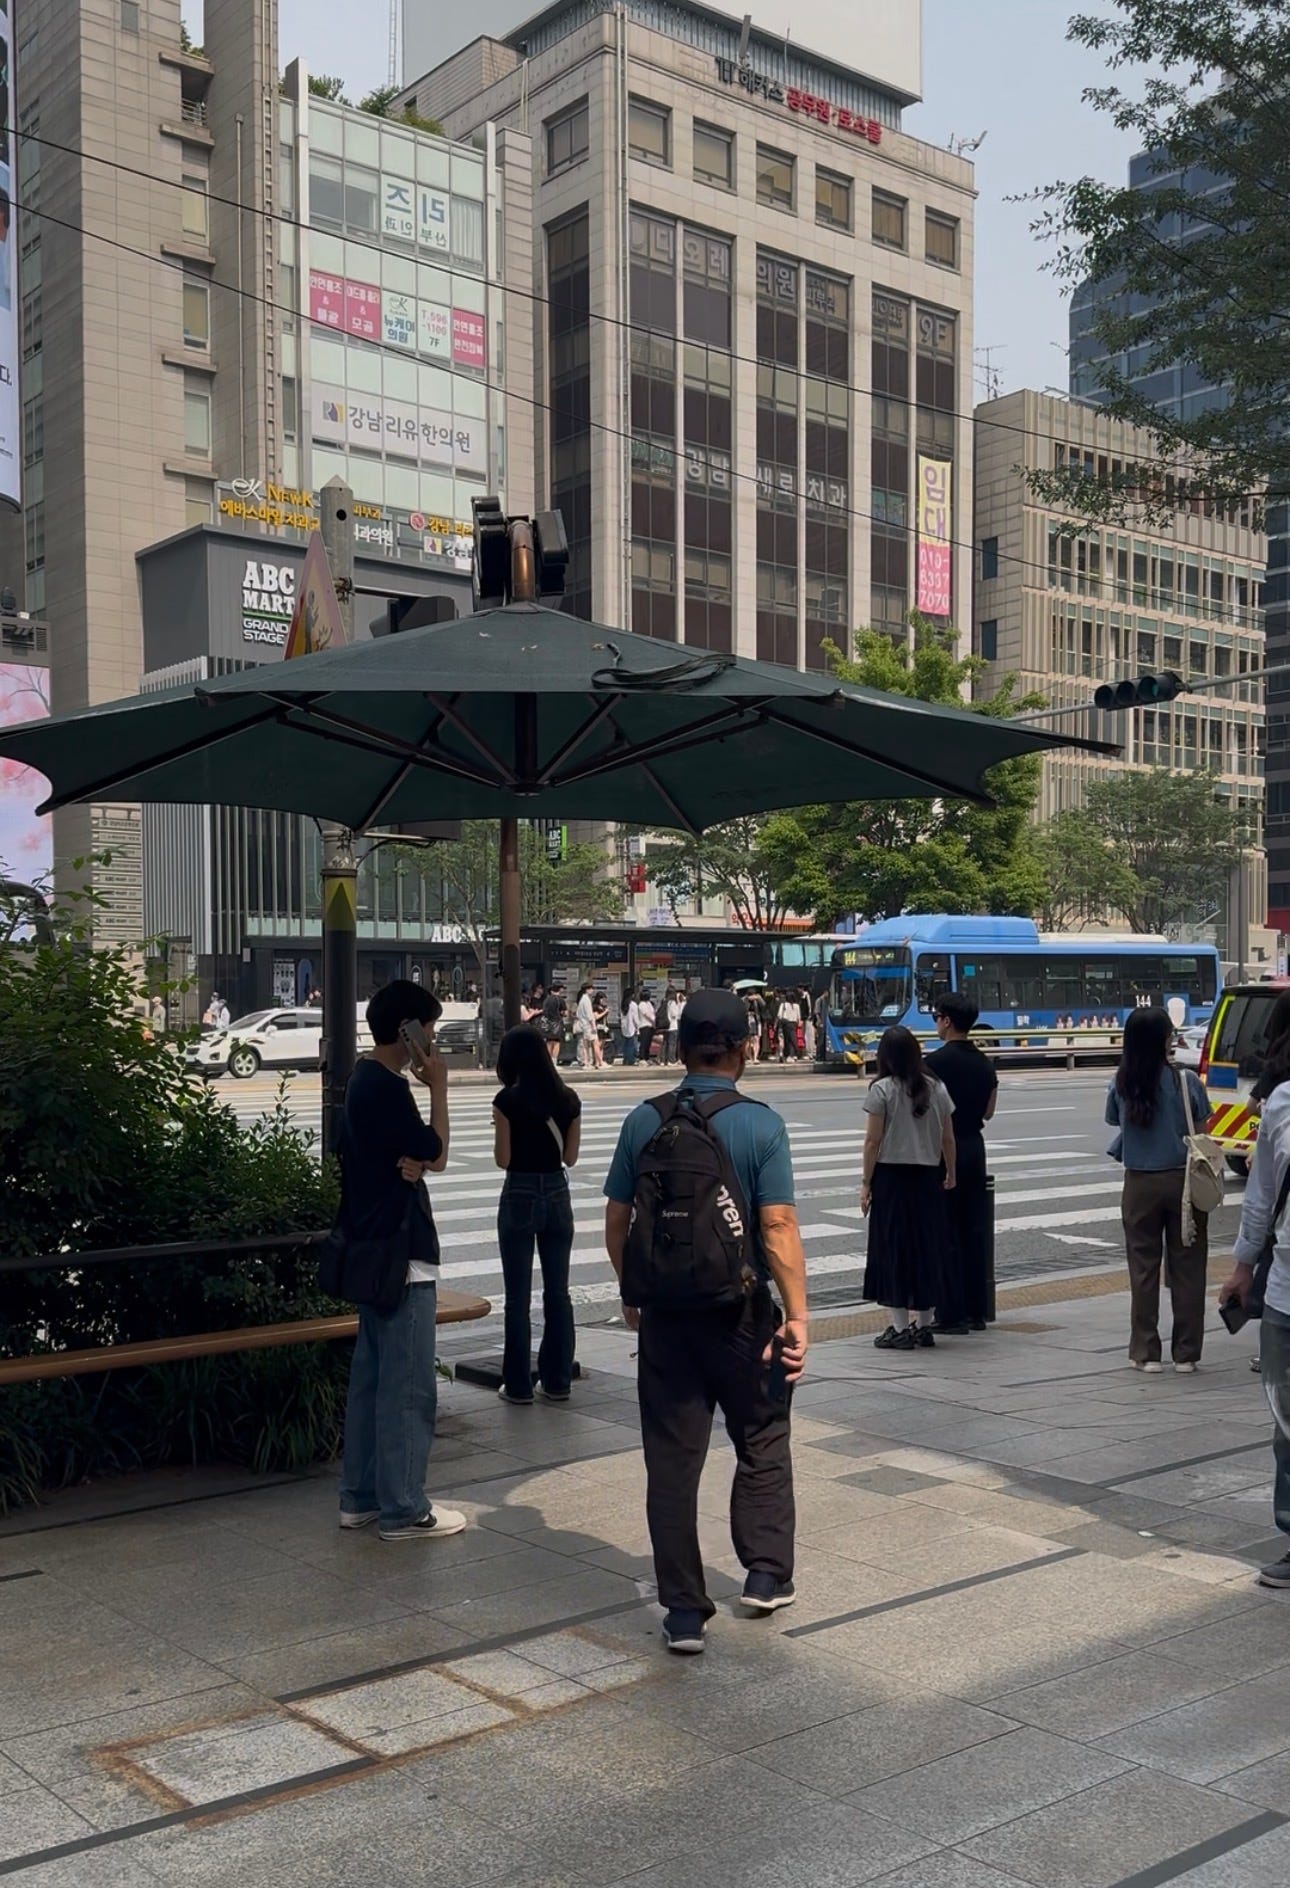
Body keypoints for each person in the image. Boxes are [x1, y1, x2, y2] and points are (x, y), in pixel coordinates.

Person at [604, 990, 809, 1655]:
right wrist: (798, 1315)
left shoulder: (644, 1120)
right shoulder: (761, 1125)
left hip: (667, 1320)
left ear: (679, 1046)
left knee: (671, 1463)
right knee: (762, 1435)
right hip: (741, 1316)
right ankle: (765, 1572)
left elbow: (618, 1220)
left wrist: (635, 1289)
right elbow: (776, 1225)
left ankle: (684, 1612)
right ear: (744, 1049)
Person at [337, 980, 466, 1542]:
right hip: (401, 1253)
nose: (433, 1038)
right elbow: (436, 1152)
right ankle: (404, 1508)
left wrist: (409, 1161)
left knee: (371, 1379)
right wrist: (438, 1086)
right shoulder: (386, 1086)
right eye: (429, 1027)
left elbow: (412, 1157)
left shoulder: (362, 1080)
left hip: (372, 1248)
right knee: (407, 1387)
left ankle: (360, 1497)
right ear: (408, 1031)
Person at [1223, 997, 1290, 1587]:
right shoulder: (1283, 1104)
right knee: (1287, 1419)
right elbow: (1261, 1195)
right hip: (1287, 1290)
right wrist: (1243, 1267)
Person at [1106, 1006, 1209, 1372]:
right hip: (1183, 1182)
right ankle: (1186, 1353)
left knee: (1143, 1268)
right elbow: (1201, 1129)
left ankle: (1146, 1352)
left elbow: (1116, 1121)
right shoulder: (1186, 1082)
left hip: (1139, 1184)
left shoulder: (1120, 1083)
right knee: (1189, 1268)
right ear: (1167, 1038)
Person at [493, 1025, 583, 1406]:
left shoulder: (506, 1101)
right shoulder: (568, 1100)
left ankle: (517, 1386)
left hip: (519, 1193)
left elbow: (504, 1159)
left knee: (517, 1298)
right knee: (558, 1293)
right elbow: (570, 1158)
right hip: (557, 1194)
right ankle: (558, 1380)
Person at [862, 1024, 955, 1350]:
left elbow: (873, 1141)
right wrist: (951, 1172)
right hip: (927, 1179)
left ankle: (899, 1328)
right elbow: (947, 1137)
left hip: (891, 1180)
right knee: (926, 1249)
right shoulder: (936, 1087)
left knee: (893, 1251)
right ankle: (923, 1326)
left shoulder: (881, 1090)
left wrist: (865, 1184)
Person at [925, 993, 998, 1334]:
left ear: (947, 1021)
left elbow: (923, 1111)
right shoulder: (985, 1063)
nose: (935, 1022)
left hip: (944, 1151)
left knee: (946, 1230)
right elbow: (988, 1111)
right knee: (974, 1229)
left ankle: (950, 1313)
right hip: (974, 1147)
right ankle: (976, 1311)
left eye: (936, 1016)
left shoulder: (934, 1063)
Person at [574, 983, 599, 1070]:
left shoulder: (582, 1000)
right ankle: (598, 1062)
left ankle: (586, 1062)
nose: (592, 990)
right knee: (594, 1043)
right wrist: (593, 1026)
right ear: (587, 989)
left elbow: (578, 1013)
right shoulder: (586, 1000)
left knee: (585, 1045)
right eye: (591, 988)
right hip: (588, 1025)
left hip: (583, 1024)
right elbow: (590, 1015)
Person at [541, 985, 566, 1063]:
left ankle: (548, 1061)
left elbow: (544, 1011)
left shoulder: (546, 1000)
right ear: (559, 990)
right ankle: (554, 1061)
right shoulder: (560, 1000)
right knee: (556, 1042)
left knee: (549, 1042)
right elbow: (563, 1012)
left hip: (547, 1023)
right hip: (557, 1022)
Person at [776, 989, 802, 1062]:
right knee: (793, 1039)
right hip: (794, 1024)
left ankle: (787, 1054)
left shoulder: (783, 1005)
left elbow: (780, 1015)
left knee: (787, 1040)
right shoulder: (796, 1006)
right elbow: (798, 1017)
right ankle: (793, 1054)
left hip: (785, 1023)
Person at [621, 987, 641, 1066]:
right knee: (631, 1044)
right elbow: (635, 1018)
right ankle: (631, 1060)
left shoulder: (623, 1004)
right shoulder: (633, 1005)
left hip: (624, 1027)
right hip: (632, 1027)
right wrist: (638, 1027)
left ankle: (625, 1059)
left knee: (626, 1044)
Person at [664, 987, 684, 1065]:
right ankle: (671, 1060)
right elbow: (675, 1014)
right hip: (673, 1025)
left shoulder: (666, 1001)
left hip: (668, 1025)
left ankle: (666, 1059)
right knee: (673, 1043)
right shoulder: (672, 1002)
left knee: (668, 1043)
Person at [638, 990, 658, 1063]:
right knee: (644, 1042)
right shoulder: (642, 1004)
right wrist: (654, 1021)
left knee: (648, 1043)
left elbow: (653, 1012)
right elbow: (647, 1015)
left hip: (651, 1026)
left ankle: (647, 1057)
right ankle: (642, 1058)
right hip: (644, 1025)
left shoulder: (649, 1003)